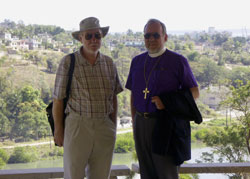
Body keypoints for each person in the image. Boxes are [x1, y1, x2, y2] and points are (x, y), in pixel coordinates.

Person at [125, 19, 201, 179]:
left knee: (166, 174)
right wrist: (134, 122)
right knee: (146, 173)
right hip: (140, 123)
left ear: (165, 37)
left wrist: (167, 101)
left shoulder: (178, 61)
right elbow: (134, 95)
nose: (151, 39)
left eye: (155, 35)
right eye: (147, 35)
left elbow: (194, 92)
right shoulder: (137, 61)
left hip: (165, 124)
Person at [52, 17, 123, 179]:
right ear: (80, 38)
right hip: (78, 125)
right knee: (74, 174)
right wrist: (58, 130)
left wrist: (112, 126)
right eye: (88, 36)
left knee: (101, 175)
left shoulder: (109, 63)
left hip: (104, 125)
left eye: (97, 35)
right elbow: (58, 99)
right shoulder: (68, 62)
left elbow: (113, 97)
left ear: (102, 37)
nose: (93, 40)